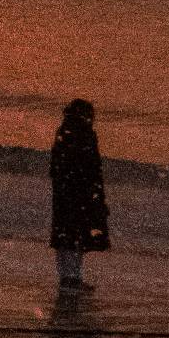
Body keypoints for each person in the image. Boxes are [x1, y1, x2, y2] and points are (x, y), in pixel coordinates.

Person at [49, 97, 110, 295]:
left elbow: (57, 167)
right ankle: (72, 279)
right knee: (76, 236)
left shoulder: (65, 132)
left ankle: (68, 278)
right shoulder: (84, 135)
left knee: (66, 235)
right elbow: (92, 168)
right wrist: (95, 194)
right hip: (79, 194)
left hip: (65, 194)